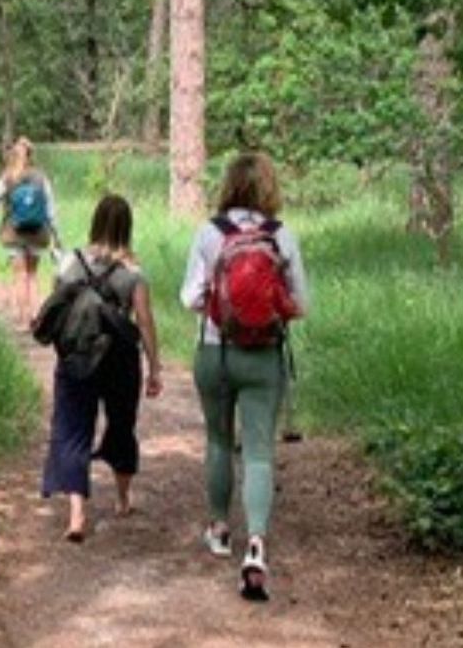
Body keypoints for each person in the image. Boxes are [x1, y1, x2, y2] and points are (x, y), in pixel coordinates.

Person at [180, 152, 309, 603]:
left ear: (228, 185)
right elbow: (302, 302)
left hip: (215, 352)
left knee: (218, 441)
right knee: (258, 451)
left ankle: (218, 529)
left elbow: (189, 297)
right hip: (264, 357)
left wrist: (223, 305)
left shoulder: (210, 233)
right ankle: (256, 545)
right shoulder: (282, 235)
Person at [36, 195, 164, 542]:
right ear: (127, 228)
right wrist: (154, 366)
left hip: (77, 357)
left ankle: (77, 514)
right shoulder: (133, 273)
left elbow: (57, 307)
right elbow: (145, 321)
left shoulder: (69, 263)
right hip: (119, 357)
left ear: (95, 222)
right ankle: (123, 499)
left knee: (73, 427)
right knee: (122, 425)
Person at [0, 137, 60, 330]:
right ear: (31, 155)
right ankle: (36, 316)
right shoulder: (41, 177)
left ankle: (24, 321)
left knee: (20, 276)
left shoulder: (8, 177)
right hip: (37, 233)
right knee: (33, 275)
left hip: (14, 233)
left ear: (14, 155)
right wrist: (56, 235)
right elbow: (51, 210)